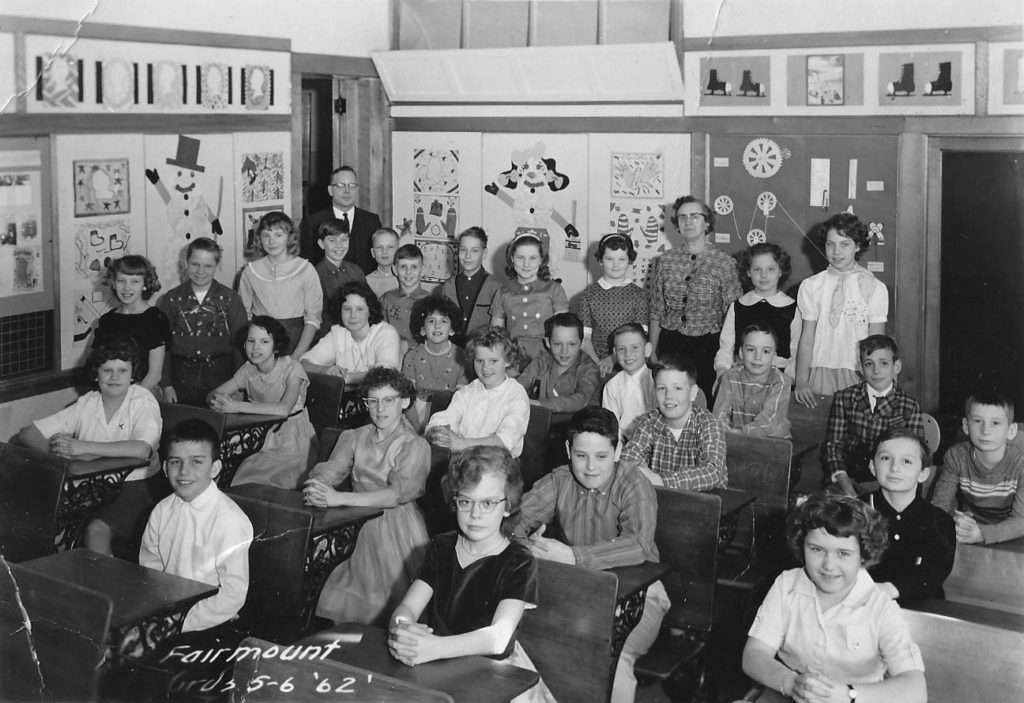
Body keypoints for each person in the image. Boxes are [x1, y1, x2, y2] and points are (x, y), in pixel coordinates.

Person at [512, 408, 666, 703]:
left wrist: (572, 556)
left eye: (601, 456)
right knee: (535, 638)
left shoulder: (634, 484)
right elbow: (513, 521)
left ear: (618, 449)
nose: (591, 467)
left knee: (612, 653)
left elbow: (638, 545)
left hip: (641, 595)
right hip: (576, 591)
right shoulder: (560, 480)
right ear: (569, 450)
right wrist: (526, 545)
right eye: (581, 456)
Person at [388, 445, 554, 703]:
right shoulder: (441, 547)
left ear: (508, 506)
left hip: (494, 674)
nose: (475, 514)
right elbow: (407, 607)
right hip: (438, 663)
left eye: (488, 503)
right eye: (465, 501)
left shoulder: (519, 561)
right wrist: (403, 630)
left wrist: (437, 648)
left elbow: (499, 638)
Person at [741, 494, 926, 703]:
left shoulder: (880, 607)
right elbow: (754, 655)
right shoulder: (786, 585)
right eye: (817, 549)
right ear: (802, 546)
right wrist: (793, 683)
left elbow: (916, 689)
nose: (828, 565)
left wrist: (848, 695)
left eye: (843, 554)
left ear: (864, 556)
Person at [306, 367, 431, 627]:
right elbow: (332, 470)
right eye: (372, 401)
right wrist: (317, 486)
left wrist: (339, 499)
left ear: (404, 402)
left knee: (382, 604)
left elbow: (394, 496)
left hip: (395, 530)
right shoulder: (354, 436)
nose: (380, 409)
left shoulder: (414, 445)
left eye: (388, 400)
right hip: (352, 519)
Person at [19, 337, 162, 559]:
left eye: (122, 371)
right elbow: (28, 433)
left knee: (95, 531)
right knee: (41, 521)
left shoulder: (142, 400)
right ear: (96, 374)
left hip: (135, 486)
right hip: (90, 486)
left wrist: (84, 448)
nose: (114, 377)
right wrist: (59, 453)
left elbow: (143, 449)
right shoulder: (88, 402)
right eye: (107, 370)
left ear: (133, 374)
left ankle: (108, 591)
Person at [140, 418, 252, 636]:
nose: (184, 471)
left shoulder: (228, 520)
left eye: (196, 462)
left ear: (215, 468)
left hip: (210, 621)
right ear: (164, 467)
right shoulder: (162, 510)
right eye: (175, 462)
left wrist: (179, 623)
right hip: (166, 613)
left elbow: (232, 595)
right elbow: (150, 566)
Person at [649, 196, 742, 402]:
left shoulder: (724, 263)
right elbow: (656, 309)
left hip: (708, 347)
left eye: (694, 216)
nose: (688, 221)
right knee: (670, 401)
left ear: (707, 222)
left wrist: (731, 356)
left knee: (703, 403)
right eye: (682, 217)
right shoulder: (664, 261)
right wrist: (653, 349)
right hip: (671, 344)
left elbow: (734, 316)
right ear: (677, 225)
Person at [794, 212, 888, 408]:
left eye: (844, 244)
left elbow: (876, 343)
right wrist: (802, 381)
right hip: (819, 372)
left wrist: (873, 382)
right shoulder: (811, 286)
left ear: (858, 246)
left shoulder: (874, 287)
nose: (836, 252)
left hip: (857, 373)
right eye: (830, 244)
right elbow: (807, 338)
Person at [210, 316, 316, 489]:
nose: (256, 347)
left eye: (264, 341)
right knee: (232, 473)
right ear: (244, 345)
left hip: (292, 441)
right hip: (260, 435)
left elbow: (283, 410)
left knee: (258, 480)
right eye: (251, 341)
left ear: (277, 346)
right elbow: (214, 393)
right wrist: (216, 400)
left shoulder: (292, 369)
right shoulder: (248, 369)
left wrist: (236, 406)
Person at [822, 335, 923, 496]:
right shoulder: (844, 398)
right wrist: (843, 479)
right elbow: (834, 446)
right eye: (869, 364)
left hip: (891, 477)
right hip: (848, 475)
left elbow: (916, 455)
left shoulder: (910, 406)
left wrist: (879, 484)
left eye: (884, 363)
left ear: (896, 366)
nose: (876, 371)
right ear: (861, 368)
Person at [866, 428, 955, 604]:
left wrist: (890, 589)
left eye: (906, 461)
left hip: (922, 609)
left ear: (923, 474)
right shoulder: (855, 513)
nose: (894, 468)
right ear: (872, 467)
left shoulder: (939, 521)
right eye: (885, 458)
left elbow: (933, 574)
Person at [158, 237, 247, 406]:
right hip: (181, 378)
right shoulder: (171, 299)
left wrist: (238, 386)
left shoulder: (230, 299)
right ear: (185, 263)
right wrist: (167, 384)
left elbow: (240, 345)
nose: (200, 271)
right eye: (195, 264)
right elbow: (163, 346)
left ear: (217, 265)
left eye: (208, 266)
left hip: (222, 378)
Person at [619, 353, 727, 491]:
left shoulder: (708, 423)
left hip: (705, 506)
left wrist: (660, 480)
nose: (669, 396)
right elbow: (628, 460)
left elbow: (712, 472)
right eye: (662, 388)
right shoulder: (649, 421)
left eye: (678, 388)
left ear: (693, 393)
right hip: (661, 502)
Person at [931, 391, 1024, 544]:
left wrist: (982, 534)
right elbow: (939, 505)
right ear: (966, 426)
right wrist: (953, 519)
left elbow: (1022, 521)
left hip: (1012, 537)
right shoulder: (956, 457)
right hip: (967, 534)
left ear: (1011, 430)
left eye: (995, 423)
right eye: (977, 421)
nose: (985, 431)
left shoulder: (1021, 465)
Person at [425, 326, 529, 458]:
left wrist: (462, 444)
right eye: (479, 361)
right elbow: (446, 417)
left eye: (493, 361)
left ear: (508, 361)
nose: (485, 368)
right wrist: (435, 432)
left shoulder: (516, 395)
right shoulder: (468, 391)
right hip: (464, 459)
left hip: (499, 465)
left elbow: (505, 441)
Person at [238, 211, 323, 359]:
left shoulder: (305, 269)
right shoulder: (250, 272)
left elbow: (313, 318)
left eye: (278, 235)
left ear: (290, 238)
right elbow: (244, 315)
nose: (271, 241)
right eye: (266, 235)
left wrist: (296, 356)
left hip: (297, 343)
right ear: (259, 239)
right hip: (261, 345)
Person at [713, 242, 801, 380]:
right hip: (741, 377)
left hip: (778, 378)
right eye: (757, 269)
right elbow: (726, 348)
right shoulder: (738, 307)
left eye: (771, 269)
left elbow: (796, 352)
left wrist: (788, 381)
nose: (764, 275)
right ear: (748, 272)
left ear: (781, 271)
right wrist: (722, 372)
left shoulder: (792, 308)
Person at [300, 281, 402, 387]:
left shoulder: (386, 333)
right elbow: (303, 363)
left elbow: (385, 374)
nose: (353, 315)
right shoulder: (338, 332)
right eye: (347, 309)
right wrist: (323, 370)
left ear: (370, 311)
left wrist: (345, 378)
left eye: (360, 309)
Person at [94, 254, 169, 397]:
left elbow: (155, 375)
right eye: (121, 281)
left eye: (134, 282)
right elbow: (98, 364)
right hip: (110, 391)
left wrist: (127, 400)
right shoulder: (107, 320)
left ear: (145, 284)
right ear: (114, 283)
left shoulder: (155, 318)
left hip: (143, 392)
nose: (126, 288)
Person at [490, 233, 569, 366]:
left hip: (546, 357)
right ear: (512, 259)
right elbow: (495, 333)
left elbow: (563, 333)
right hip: (513, 357)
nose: (526, 264)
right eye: (520, 257)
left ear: (541, 260)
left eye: (533, 258)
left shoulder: (554, 290)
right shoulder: (503, 293)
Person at [577, 233, 649, 378]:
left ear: (630, 261)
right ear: (600, 260)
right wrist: (598, 364)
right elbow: (585, 339)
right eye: (609, 259)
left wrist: (612, 359)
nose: (616, 265)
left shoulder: (640, 295)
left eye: (621, 259)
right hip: (594, 362)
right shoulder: (588, 295)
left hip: (630, 362)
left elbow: (640, 336)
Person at [713, 322, 792, 438]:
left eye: (766, 351)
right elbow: (719, 414)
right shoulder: (729, 377)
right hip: (737, 440)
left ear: (774, 357)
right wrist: (722, 425)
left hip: (774, 444)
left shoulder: (781, 381)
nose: (757, 357)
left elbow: (768, 422)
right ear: (741, 352)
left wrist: (742, 432)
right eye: (751, 350)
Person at [402, 294, 468, 431]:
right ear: (422, 329)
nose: (437, 326)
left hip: (449, 409)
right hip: (416, 410)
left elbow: (462, 400)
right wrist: (417, 427)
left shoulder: (462, 357)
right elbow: (406, 398)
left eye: (444, 321)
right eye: (431, 321)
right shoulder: (412, 356)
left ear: (452, 330)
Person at [299, 165, 382, 272]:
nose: (347, 191)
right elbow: (307, 263)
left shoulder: (371, 221)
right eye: (341, 185)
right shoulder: (313, 223)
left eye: (352, 185)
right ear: (330, 190)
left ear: (357, 189)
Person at [515, 312, 601, 413]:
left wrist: (540, 404)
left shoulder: (590, 368)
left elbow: (580, 400)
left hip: (580, 425)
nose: (564, 351)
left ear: (582, 343)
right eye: (557, 344)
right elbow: (519, 384)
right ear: (548, 343)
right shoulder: (542, 361)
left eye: (572, 344)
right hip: (545, 422)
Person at [440, 226, 501, 346]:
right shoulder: (448, 286)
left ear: (484, 254)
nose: (467, 256)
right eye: (463, 250)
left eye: (474, 250)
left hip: (482, 349)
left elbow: (497, 331)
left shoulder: (496, 286)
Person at [313, 217, 367, 340]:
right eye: (332, 240)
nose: (339, 245)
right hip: (329, 339)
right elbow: (318, 317)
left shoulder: (356, 271)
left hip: (359, 335)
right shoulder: (315, 274)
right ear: (321, 244)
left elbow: (367, 304)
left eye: (344, 240)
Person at [602, 323, 655, 447]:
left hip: (654, 443)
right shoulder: (612, 386)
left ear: (647, 350)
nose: (627, 354)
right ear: (614, 352)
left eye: (634, 347)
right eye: (621, 349)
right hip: (623, 445)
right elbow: (611, 425)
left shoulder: (656, 382)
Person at [381, 243, 430, 355]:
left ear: (422, 270)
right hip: (391, 354)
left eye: (414, 267)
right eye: (403, 267)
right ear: (395, 269)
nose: (408, 272)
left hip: (421, 357)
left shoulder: (430, 301)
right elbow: (379, 332)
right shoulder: (387, 299)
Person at [366, 227, 401, 299]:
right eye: (379, 247)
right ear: (373, 252)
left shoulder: (405, 278)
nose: (384, 251)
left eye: (390, 247)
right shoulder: (367, 281)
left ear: (398, 251)